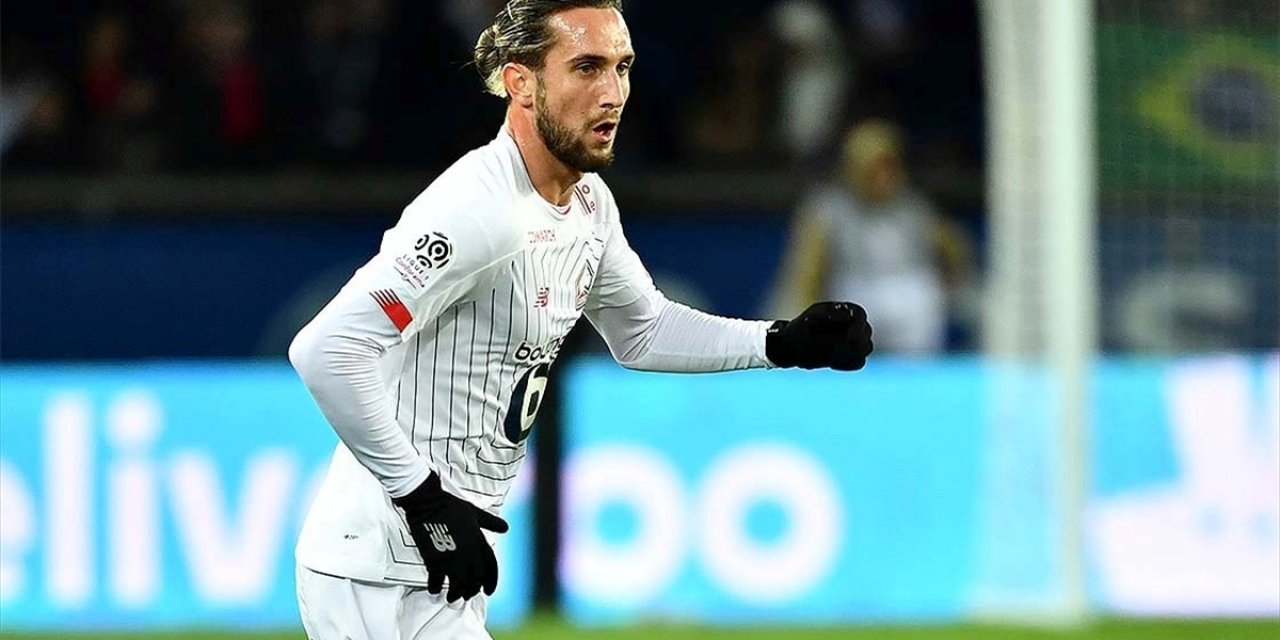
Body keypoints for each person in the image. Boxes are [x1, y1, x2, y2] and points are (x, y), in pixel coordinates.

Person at [287, 2, 874, 638]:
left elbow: (642, 330)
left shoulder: (588, 202)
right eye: (587, 68)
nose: (612, 93)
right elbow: (325, 349)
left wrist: (781, 342)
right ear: (521, 83)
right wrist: (422, 498)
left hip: (438, 555)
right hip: (376, 567)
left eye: (622, 68)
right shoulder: (478, 209)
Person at [769, 118, 971, 354]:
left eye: (889, 167)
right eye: (875, 169)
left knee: (924, 298)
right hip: (855, 292)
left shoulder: (912, 207)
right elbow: (808, 270)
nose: (883, 177)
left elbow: (952, 246)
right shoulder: (828, 209)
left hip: (910, 300)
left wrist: (949, 288)